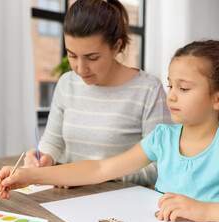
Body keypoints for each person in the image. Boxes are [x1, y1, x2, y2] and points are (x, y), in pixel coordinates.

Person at [0, 40, 219, 222]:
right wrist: (30, 176)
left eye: (184, 88)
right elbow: (102, 168)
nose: (171, 96)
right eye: (171, 85)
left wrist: (204, 210)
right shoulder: (164, 137)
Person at [25, 0, 171, 187]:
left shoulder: (148, 90)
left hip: (119, 203)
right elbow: (53, 142)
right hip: (67, 197)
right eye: (72, 55)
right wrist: (45, 157)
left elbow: (158, 166)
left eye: (92, 57)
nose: (80, 68)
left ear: (116, 47)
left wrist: (96, 175)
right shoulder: (66, 83)